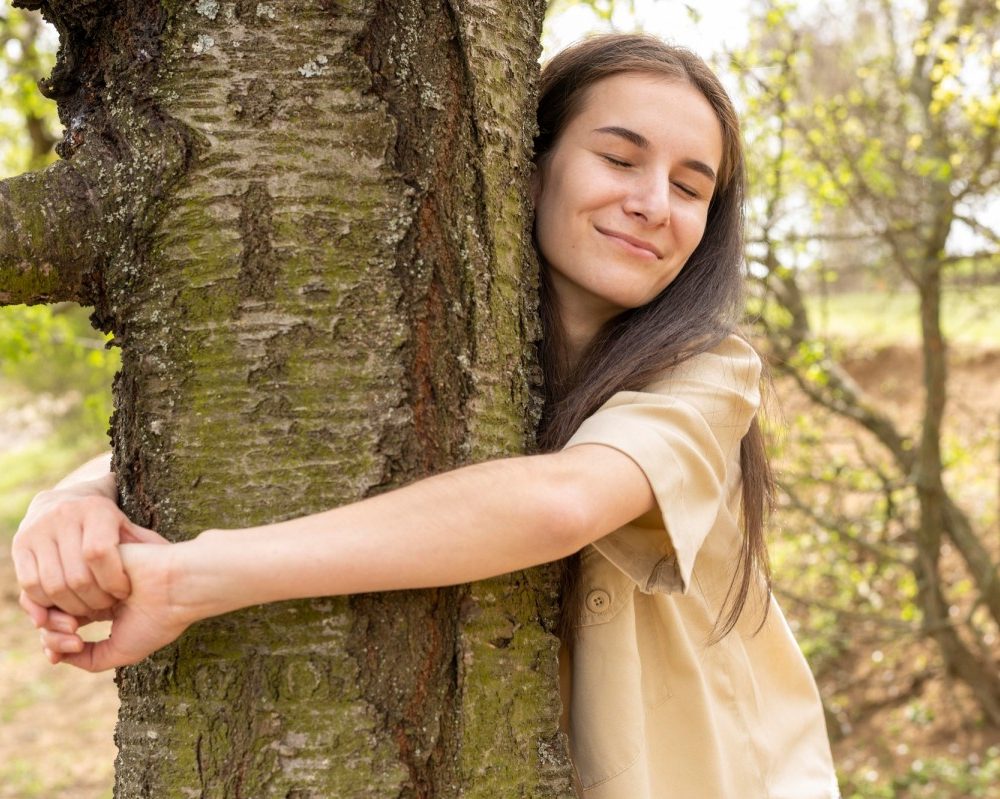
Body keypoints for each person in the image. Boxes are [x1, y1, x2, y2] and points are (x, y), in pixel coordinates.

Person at [12, 33, 839, 799]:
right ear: (526, 159)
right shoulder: (454, 356)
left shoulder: (707, 372)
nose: (654, 202)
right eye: (619, 158)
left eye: (691, 187)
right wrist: (79, 497)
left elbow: (561, 501)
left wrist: (192, 578)